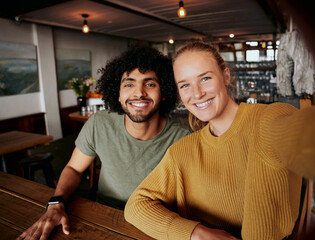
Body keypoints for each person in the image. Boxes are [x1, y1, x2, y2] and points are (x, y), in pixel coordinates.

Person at [124, 41, 315, 240]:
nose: (197, 93)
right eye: (185, 85)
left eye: (205, 78)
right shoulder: (182, 151)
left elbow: (307, 137)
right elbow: (136, 206)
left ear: (225, 76)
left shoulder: (268, 119)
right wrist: (197, 234)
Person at [17, 45, 192, 240]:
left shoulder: (183, 138)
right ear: (117, 93)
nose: (139, 93)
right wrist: (56, 203)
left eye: (149, 84)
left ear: (164, 92)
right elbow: (74, 169)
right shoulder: (99, 123)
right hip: (103, 216)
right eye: (129, 84)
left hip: (155, 225)